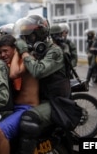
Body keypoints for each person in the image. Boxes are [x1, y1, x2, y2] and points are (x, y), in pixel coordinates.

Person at [12, 14, 82, 154]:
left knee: (28, 120)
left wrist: (25, 52)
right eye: (24, 36)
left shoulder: (54, 51)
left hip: (57, 103)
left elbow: (38, 71)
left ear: (40, 33)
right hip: (44, 100)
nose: (27, 40)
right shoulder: (38, 51)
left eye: (30, 36)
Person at [0, 34, 39, 154]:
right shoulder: (13, 60)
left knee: (0, 131)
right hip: (15, 108)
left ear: (15, 49)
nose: (3, 54)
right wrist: (4, 55)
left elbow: (14, 74)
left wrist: (16, 53)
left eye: (5, 51)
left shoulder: (27, 59)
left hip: (27, 109)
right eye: (0, 51)